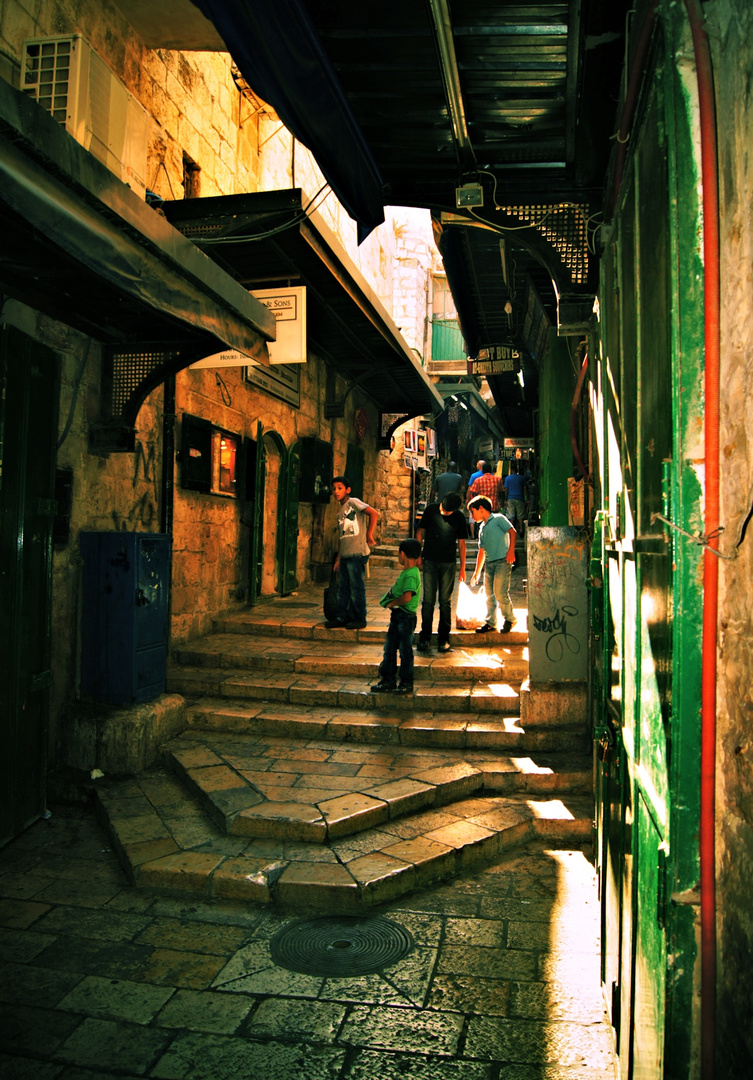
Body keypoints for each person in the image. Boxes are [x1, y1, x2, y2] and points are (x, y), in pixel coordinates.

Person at [415, 492, 467, 653]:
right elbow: (419, 532)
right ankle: (425, 637)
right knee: (428, 601)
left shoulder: (459, 517)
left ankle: (444, 638)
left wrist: (463, 567)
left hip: (448, 563)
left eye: (449, 512)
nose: (445, 513)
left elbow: (462, 543)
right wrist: (418, 556)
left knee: (445, 602)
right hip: (429, 560)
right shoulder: (431, 510)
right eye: (444, 510)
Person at [371, 538, 422, 693]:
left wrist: (391, 603)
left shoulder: (411, 575)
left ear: (402, 554)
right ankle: (388, 680)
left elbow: (407, 597)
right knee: (391, 647)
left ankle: (406, 682)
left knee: (405, 650)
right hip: (399, 617)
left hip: (405, 617)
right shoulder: (408, 572)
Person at [327, 475, 378, 630]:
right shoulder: (339, 513)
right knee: (343, 587)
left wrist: (369, 533)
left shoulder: (353, 502)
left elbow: (373, 513)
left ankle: (359, 618)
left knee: (356, 587)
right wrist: (338, 558)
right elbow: (341, 538)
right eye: (334, 488)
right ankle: (341, 616)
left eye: (340, 488)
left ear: (347, 490)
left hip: (357, 553)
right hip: (345, 554)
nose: (336, 491)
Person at [468, 494, 517, 633]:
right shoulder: (482, 528)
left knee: (500, 593)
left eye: (473, 512)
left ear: (481, 508)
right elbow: (481, 551)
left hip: (503, 561)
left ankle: (510, 619)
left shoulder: (499, 519)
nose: (472, 516)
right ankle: (491, 622)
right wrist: (477, 572)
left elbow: (513, 532)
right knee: (489, 595)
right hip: (489, 564)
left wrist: (511, 551)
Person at [503, 461, 528, 535]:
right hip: (520, 498)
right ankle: (520, 529)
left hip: (510, 498)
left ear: (511, 470)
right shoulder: (522, 478)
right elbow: (525, 489)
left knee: (511, 515)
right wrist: (528, 499)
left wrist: (505, 499)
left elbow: (506, 490)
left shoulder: (508, 478)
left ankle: (512, 530)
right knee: (520, 515)